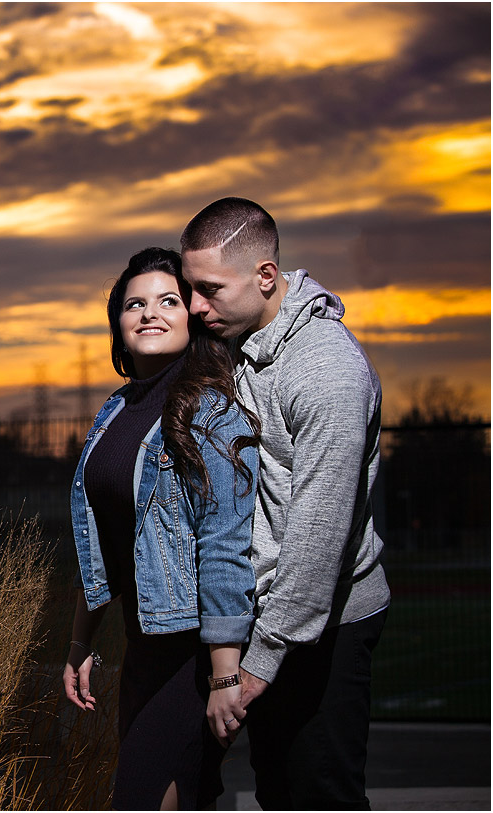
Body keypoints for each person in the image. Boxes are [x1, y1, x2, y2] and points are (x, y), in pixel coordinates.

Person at [179, 197, 391, 810]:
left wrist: (264, 657)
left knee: (318, 796)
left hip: (325, 626)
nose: (196, 307)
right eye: (191, 290)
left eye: (210, 290)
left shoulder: (325, 370)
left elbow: (319, 535)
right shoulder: (242, 342)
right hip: (269, 619)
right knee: (278, 792)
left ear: (266, 276)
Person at [63, 247, 260, 810]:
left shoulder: (209, 410)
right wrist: (82, 643)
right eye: (134, 304)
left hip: (191, 652)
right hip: (142, 647)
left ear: (191, 316)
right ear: (118, 327)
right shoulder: (116, 411)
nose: (150, 313)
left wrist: (224, 673)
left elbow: (225, 541)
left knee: (145, 796)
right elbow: (102, 543)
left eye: (167, 301)